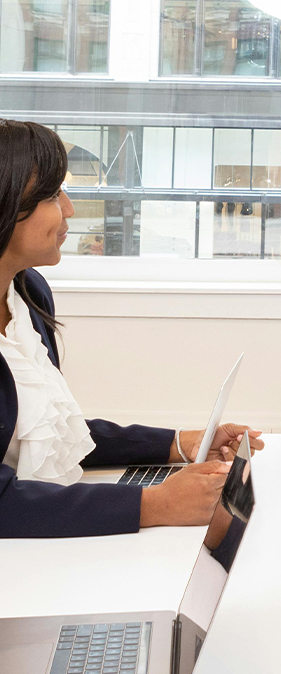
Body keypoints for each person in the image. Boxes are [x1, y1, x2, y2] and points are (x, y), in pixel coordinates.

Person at [0, 119, 265, 538]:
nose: (69, 209)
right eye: (53, 195)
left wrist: (180, 445)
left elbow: (55, 434)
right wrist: (152, 503)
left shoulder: (27, 292)